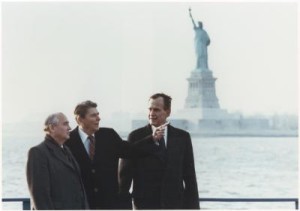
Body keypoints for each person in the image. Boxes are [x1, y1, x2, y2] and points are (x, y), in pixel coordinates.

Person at [65, 100, 156, 209]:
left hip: (109, 204)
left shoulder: (108, 135)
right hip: (81, 205)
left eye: (98, 115)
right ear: (80, 119)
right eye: (93, 115)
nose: (98, 118)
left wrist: (152, 139)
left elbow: (131, 151)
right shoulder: (67, 141)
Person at [119, 93, 200, 209]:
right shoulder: (135, 137)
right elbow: (124, 178)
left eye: (156, 110)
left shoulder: (183, 137)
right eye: (150, 109)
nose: (151, 114)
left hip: (175, 205)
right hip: (144, 206)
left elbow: (190, 177)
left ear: (168, 112)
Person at [26, 112, 89, 210]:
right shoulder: (38, 152)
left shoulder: (66, 150)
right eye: (65, 124)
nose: (69, 128)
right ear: (52, 128)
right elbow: (40, 196)